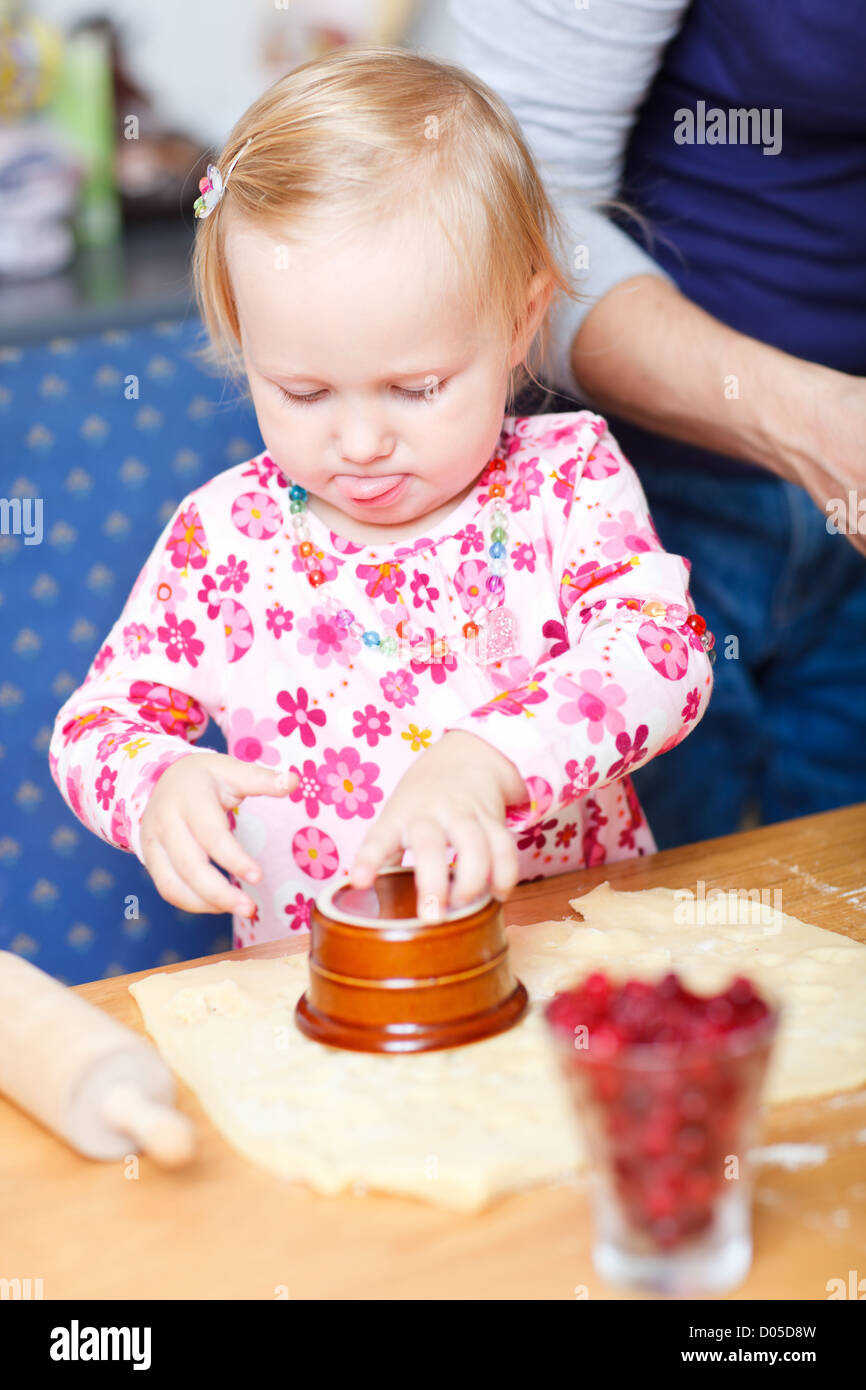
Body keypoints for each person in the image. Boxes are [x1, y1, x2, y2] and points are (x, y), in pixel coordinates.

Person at [49, 46, 713, 947]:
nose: (360, 442)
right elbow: (98, 721)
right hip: (324, 997)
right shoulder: (223, 539)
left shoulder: (566, 481)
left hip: (565, 962)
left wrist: (488, 761)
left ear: (521, 322)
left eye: (417, 388)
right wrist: (157, 781)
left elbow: (663, 655)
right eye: (305, 393)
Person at [451, 0, 866, 847]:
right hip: (660, 483)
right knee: (659, 914)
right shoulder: (592, 512)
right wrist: (814, 418)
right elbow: (510, 206)